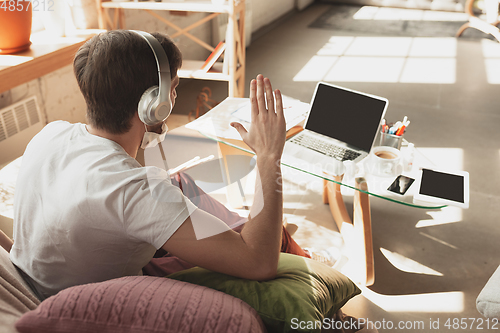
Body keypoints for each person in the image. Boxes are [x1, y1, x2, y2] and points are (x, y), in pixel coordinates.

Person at [9, 30, 315, 301]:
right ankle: (301, 256)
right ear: (155, 105)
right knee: (270, 244)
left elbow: (123, 184)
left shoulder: (50, 133)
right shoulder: (137, 191)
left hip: (46, 281)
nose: (175, 95)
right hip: (91, 305)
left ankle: (256, 232)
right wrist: (268, 156)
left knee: (179, 183)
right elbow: (257, 264)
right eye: (175, 87)